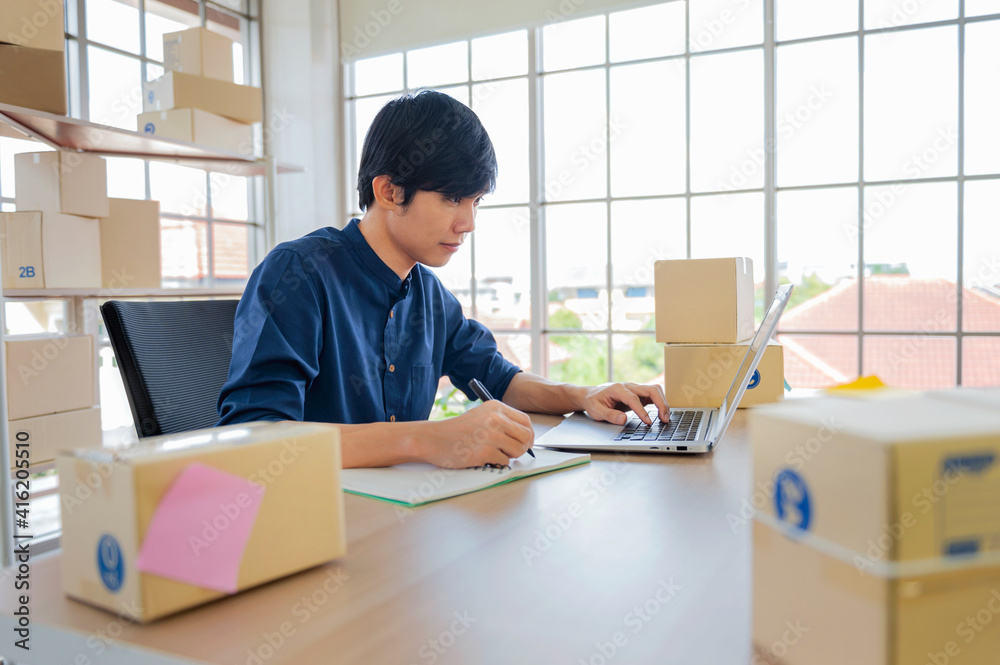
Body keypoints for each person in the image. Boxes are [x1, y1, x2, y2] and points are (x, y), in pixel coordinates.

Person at [217, 90, 669, 468]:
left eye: (476, 202)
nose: (468, 222)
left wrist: (584, 393)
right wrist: (429, 440)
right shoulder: (299, 274)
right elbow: (254, 438)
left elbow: (498, 378)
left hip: (401, 529)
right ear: (390, 191)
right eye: (453, 198)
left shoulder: (429, 295)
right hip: (313, 527)